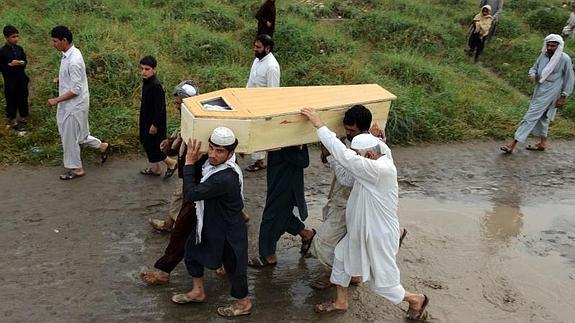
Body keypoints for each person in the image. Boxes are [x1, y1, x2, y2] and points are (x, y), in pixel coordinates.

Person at [301, 108, 429, 320]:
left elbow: (344, 156)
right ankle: (341, 302)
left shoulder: (378, 169)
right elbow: (350, 157)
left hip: (378, 235)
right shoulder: (381, 150)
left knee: (384, 285)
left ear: (369, 155)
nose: (354, 157)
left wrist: (318, 124)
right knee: (341, 257)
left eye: (358, 156)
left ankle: (417, 299)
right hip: (360, 229)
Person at [308, 105, 407, 290]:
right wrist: (329, 150)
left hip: (350, 200)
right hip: (345, 199)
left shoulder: (371, 155)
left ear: (364, 129)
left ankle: (342, 275)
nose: (348, 133)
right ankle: (346, 277)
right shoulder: (373, 143)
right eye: (346, 129)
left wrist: (328, 145)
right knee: (348, 243)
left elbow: (347, 177)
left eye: (352, 130)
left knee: (324, 243)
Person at [171, 127, 251, 317]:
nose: (213, 155)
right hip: (209, 221)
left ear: (231, 153)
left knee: (234, 266)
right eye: (212, 148)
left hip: (228, 228)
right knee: (192, 250)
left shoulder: (225, 177)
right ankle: (198, 291)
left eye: (220, 151)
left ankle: (244, 303)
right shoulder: (212, 165)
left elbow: (192, 193)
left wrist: (189, 163)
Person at [48, 25, 110, 180]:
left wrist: (56, 100)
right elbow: (75, 79)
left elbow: (75, 89)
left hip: (73, 105)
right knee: (81, 135)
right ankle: (102, 146)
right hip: (77, 103)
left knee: (69, 138)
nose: (53, 44)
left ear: (64, 40)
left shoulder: (73, 60)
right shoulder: (70, 53)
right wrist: (60, 79)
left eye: (55, 41)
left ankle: (76, 169)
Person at [501, 34, 574, 153]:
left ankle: (513, 144)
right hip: (540, 89)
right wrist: (532, 74)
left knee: (530, 116)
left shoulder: (564, 59)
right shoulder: (543, 55)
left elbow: (569, 78)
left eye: (553, 46)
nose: (550, 48)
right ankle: (542, 143)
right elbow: (534, 68)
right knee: (543, 117)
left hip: (552, 92)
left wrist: (563, 96)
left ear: (559, 46)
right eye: (548, 45)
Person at [248, 143, 316, 268]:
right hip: (277, 172)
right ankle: (306, 234)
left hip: (287, 179)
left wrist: (285, 147)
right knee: (281, 212)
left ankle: (269, 256)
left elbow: (304, 161)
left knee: (271, 215)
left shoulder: (292, 140)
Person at [148, 80, 199, 232]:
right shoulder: (188, 118)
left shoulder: (196, 121)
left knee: (180, 195)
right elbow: (179, 138)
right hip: (189, 166)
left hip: (194, 167)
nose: (176, 106)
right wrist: (170, 143)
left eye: (178, 103)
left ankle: (171, 224)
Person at [245, 34, 280, 172]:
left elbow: (272, 92)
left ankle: (260, 161)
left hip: (261, 106)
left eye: (258, 47)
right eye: (255, 46)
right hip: (250, 102)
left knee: (259, 133)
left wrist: (266, 111)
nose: (255, 49)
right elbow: (251, 81)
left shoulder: (272, 67)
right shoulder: (257, 60)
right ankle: (259, 159)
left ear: (267, 48)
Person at [138, 55, 177, 177]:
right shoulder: (147, 83)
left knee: (152, 146)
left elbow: (160, 108)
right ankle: (156, 168)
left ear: (154, 70)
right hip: (146, 120)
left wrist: (154, 124)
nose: (143, 72)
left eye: (147, 69)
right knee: (147, 142)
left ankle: (171, 163)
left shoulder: (155, 85)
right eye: (142, 68)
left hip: (153, 123)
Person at [0, 25, 29, 133]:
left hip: (21, 78)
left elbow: (25, 61)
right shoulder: (2, 51)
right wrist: (9, 65)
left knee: (23, 97)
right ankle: (12, 120)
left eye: (17, 36)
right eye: (13, 37)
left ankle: (23, 117)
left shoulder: (19, 49)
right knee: (11, 99)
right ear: (6, 38)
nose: (16, 39)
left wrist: (22, 63)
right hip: (10, 80)